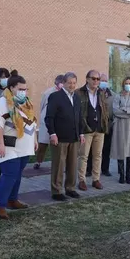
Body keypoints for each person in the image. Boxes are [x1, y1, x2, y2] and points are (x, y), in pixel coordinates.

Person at [0, 72, 37, 220]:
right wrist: (0, 144)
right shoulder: (2, 103)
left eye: (25, 89)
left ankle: (12, 200)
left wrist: (34, 139)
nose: (24, 92)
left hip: (23, 146)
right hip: (7, 145)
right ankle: (0, 206)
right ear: (11, 88)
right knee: (10, 174)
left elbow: (32, 121)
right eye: (20, 89)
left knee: (17, 173)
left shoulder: (25, 103)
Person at [45, 72, 85, 201]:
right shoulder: (55, 97)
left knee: (72, 165)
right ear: (64, 83)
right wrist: (52, 133)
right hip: (60, 137)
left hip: (74, 137)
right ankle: (57, 191)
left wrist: (81, 133)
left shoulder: (77, 97)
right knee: (59, 165)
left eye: (74, 83)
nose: (72, 85)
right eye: (69, 83)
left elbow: (79, 117)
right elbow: (49, 117)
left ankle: (70, 188)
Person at [76, 70, 109, 191]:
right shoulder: (79, 93)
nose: (96, 81)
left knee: (97, 156)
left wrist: (105, 124)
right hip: (86, 129)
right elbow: (78, 113)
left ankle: (96, 179)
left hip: (99, 129)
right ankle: (81, 180)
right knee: (83, 156)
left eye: (98, 79)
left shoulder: (101, 93)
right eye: (93, 78)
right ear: (87, 79)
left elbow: (105, 109)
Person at [111, 77, 130, 184]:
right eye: (126, 83)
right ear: (123, 84)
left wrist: (125, 109)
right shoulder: (117, 96)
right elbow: (115, 111)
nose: (128, 85)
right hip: (119, 126)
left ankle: (128, 175)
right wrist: (129, 113)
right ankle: (121, 175)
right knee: (121, 150)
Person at [86, 73, 114, 177]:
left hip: (108, 126)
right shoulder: (94, 93)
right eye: (101, 80)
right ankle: (89, 169)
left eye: (105, 81)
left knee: (106, 149)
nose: (103, 82)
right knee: (91, 150)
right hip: (96, 126)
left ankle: (105, 169)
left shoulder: (113, 95)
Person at [34, 74, 64, 170]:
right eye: (60, 83)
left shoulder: (65, 93)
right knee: (43, 143)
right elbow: (42, 105)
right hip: (46, 120)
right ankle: (38, 161)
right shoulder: (48, 92)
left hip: (59, 121)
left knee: (57, 144)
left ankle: (57, 163)